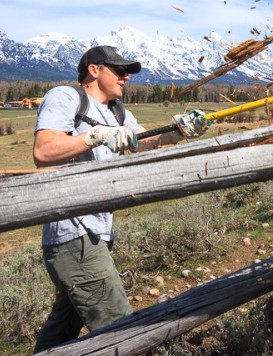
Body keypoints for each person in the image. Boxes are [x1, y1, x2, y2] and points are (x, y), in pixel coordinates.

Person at [32, 45, 210, 352]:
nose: (126, 77)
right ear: (94, 70)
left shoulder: (118, 111)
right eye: (119, 70)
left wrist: (178, 131)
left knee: (61, 332)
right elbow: (43, 151)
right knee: (124, 333)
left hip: (96, 234)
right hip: (75, 235)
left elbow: (144, 139)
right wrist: (95, 136)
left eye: (128, 72)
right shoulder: (66, 97)